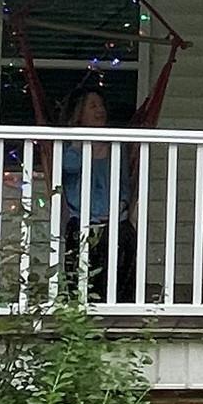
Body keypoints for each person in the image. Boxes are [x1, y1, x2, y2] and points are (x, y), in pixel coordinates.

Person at [59, 84, 136, 300]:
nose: (99, 110)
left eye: (101, 105)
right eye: (92, 106)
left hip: (114, 222)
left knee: (124, 244)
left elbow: (124, 186)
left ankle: (118, 313)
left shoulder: (115, 146)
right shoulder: (70, 147)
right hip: (83, 222)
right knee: (81, 277)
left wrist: (119, 208)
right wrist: (80, 142)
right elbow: (68, 167)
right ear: (79, 113)